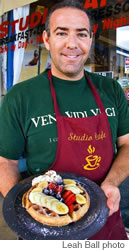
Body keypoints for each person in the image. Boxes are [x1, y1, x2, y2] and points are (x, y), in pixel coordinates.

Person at [0, 0, 129, 240]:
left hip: (106, 217)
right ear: (47, 39)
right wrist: (31, 208)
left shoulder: (111, 90)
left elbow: (127, 144)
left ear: (91, 39)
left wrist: (111, 183)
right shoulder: (20, 97)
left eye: (81, 34)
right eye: (61, 33)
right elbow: (5, 162)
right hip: (42, 230)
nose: (72, 44)